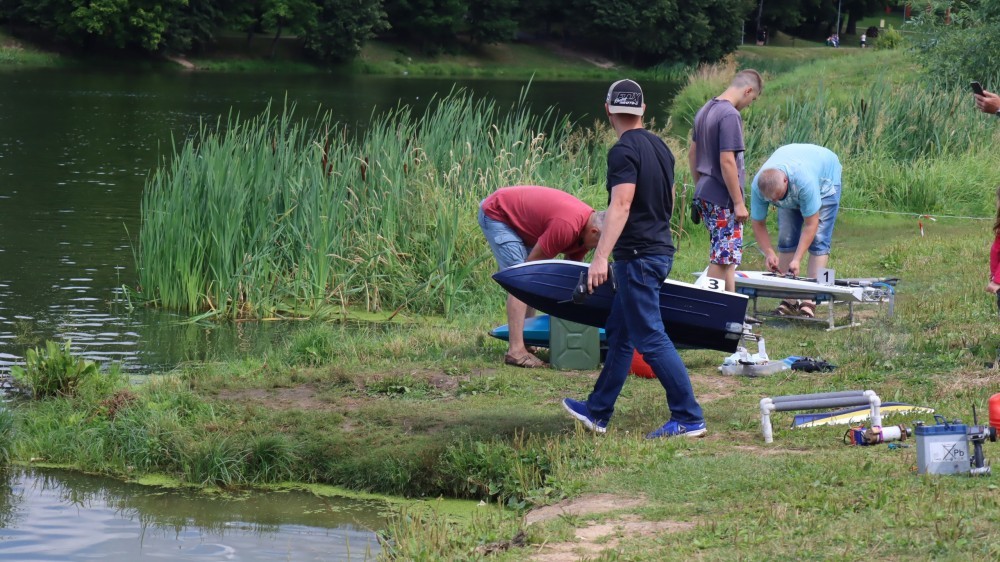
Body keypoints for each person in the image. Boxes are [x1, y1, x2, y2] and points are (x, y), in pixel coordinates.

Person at [561, 79, 706, 439]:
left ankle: (689, 417)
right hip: (656, 249)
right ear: (643, 110)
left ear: (607, 109)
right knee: (621, 332)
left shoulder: (622, 151)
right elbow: (670, 200)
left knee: (650, 336)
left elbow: (621, 204)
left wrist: (600, 257)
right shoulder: (660, 147)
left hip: (638, 257)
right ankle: (597, 412)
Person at [479, 185, 605, 368]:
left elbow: (569, 275)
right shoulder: (567, 227)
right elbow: (529, 271)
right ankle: (516, 351)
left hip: (524, 223)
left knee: (530, 280)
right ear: (594, 232)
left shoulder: (586, 233)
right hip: (498, 213)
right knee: (521, 280)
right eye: (598, 245)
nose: (597, 250)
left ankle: (527, 341)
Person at [689, 69, 764, 292]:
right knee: (722, 259)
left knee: (727, 255)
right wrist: (739, 202)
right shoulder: (730, 114)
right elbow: (727, 161)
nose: (749, 104)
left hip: (705, 192)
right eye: (752, 99)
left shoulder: (705, 110)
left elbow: (692, 154)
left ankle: (731, 307)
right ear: (748, 90)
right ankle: (704, 306)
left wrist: (700, 185)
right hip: (723, 198)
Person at [749, 144, 843, 319]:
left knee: (819, 240)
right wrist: (769, 253)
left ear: (785, 181)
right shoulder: (759, 186)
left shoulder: (804, 182)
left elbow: (811, 224)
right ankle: (789, 299)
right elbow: (758, 223)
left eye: (778, 197)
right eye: (772, 200)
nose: (775, 202)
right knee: (786, 237)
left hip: (825, 181)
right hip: (795, 180)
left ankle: (810, 301)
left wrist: (797, 259)